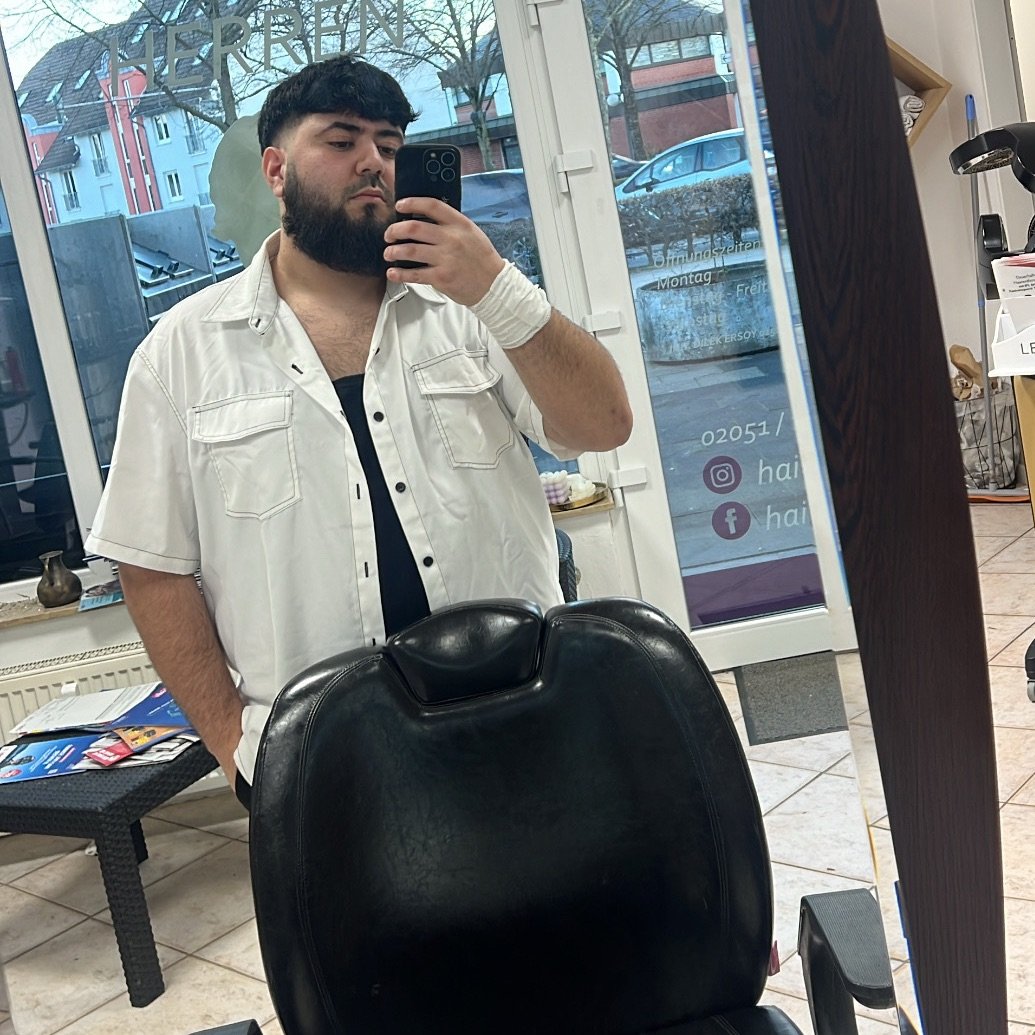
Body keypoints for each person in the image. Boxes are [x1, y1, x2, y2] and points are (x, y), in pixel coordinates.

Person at [85, 55, 632, 809]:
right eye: (341, 141)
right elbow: (152, 567)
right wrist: (232, 744)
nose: (372, 161)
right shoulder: (182, 357)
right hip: (325, 758)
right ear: (276, 170)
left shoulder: (473, 309)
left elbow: (603, 424)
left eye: (389, 144)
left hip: (518, 710)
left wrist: (496, 289)